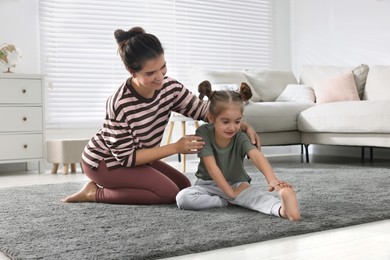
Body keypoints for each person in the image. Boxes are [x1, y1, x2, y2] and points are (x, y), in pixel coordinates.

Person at [61, 26, 260, 205]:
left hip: (140, 156)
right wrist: (175, 147)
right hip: (105, 162)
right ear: (132, 71)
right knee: (167, 194)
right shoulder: (119, 104)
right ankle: (94, 193)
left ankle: (111, 189)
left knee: (183, 186)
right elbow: (126, 158)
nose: (160, 77)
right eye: (150, 73)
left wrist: (244, 126)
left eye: (163, 67)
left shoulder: (169, 88)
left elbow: (204, 111)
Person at [176, 81, 301, 221]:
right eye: (225, 122)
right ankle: (230, 201)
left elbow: (256, 156)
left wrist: (272, 180)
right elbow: (212, 168)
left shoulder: (240, 136)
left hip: (237, 185)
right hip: (207, 185)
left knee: (256, 198)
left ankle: (283, 210)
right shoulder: (203, 132)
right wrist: (230, 194)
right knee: (183, 198)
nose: (232, 127)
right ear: (211, 118)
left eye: (237, 122)